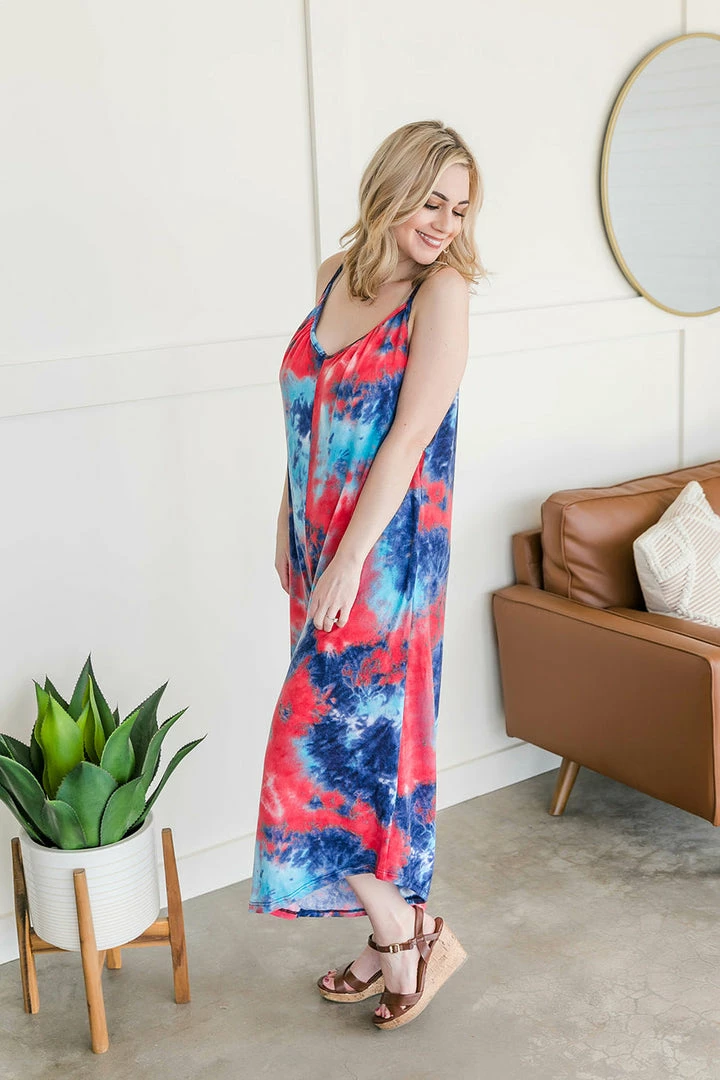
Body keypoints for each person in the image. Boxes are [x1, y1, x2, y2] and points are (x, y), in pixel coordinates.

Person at [249, 119, 485, 1031]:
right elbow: (307, 407)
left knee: (311, 754)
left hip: (384, 561)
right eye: (432, 201)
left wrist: (349, 558)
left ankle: (407, 930)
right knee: (356, 759)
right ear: (392, 187)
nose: (445, 224)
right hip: (320, 552)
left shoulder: (442, 292)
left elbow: (409, 437)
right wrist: (288, 518)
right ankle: (390, 937)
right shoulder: (334, 275)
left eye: (460, 209)